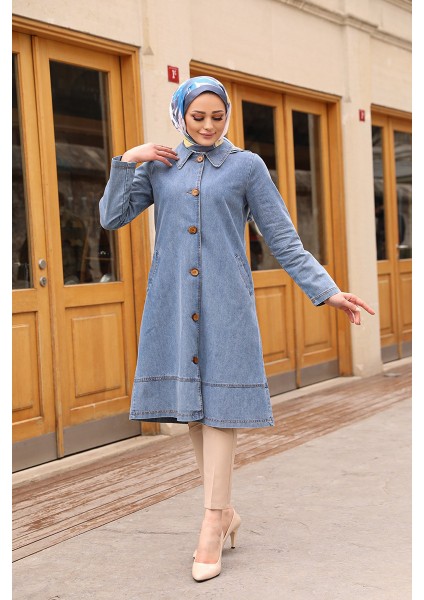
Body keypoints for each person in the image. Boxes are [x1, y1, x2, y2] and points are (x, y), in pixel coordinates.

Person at [99, 76, 375, 583]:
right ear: (180, 115)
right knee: (195, 413)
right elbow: (112, 218)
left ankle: (211, 523)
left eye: (217, 116)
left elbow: (284, 239)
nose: (208, 126)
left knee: (220, 410)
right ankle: (223, 511)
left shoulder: (247, 167)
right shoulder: (161, 165)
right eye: (198, 117)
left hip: (226, 306)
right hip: (173, 304)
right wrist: (127, 160)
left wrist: (328, 290)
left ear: (227, 116)